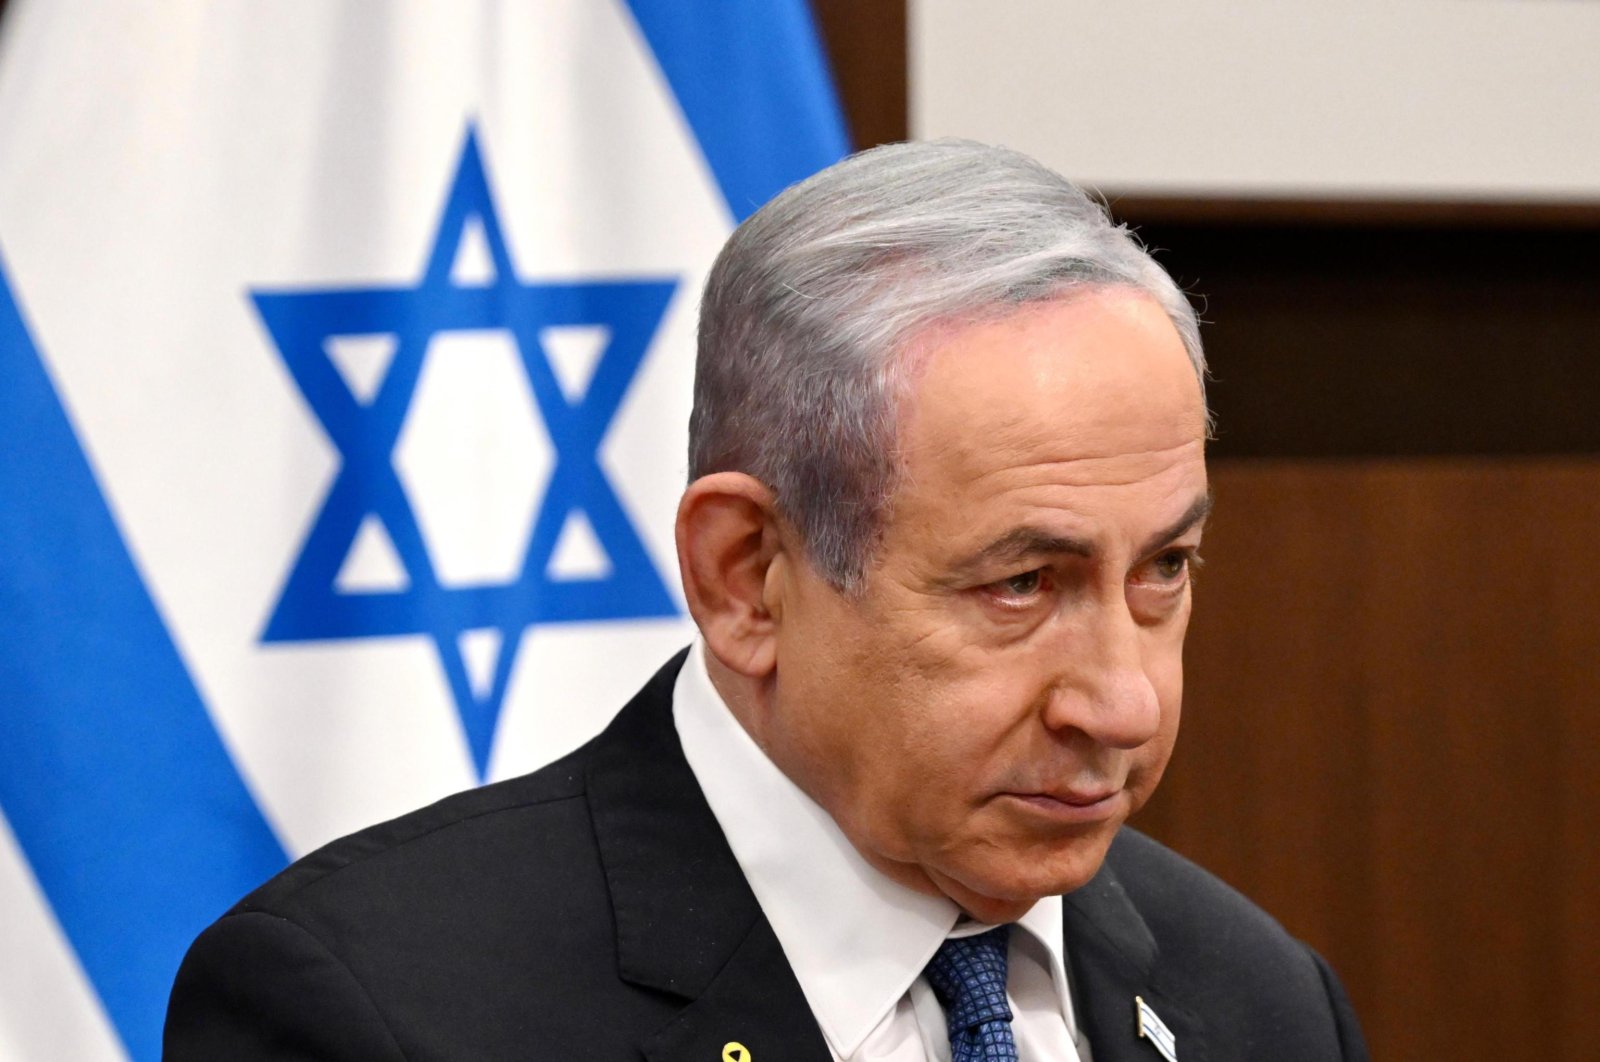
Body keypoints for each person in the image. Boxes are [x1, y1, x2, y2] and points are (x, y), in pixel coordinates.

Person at [165, 140, 1368, 1061]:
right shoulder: (373, 1013)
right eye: (1019, 585)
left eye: (1162, 570)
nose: (1121, 703)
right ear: (745, 577)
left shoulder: (1260, 1004)